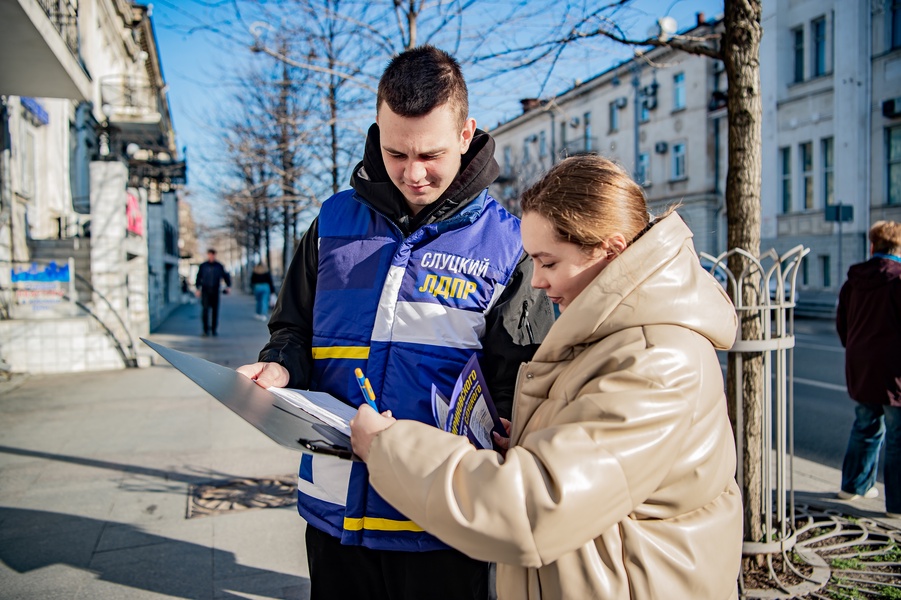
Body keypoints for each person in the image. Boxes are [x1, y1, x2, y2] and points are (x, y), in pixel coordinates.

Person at [237, 45, 554, 599]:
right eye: (395, 153)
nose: (412, 173)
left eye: (429, 154)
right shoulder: (332, 223)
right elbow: (290, 332)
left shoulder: (510, 246)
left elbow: (526, 385)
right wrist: (278, 371)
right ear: (377, 130)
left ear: (465, 133)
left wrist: (517, 436)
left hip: (445, 525)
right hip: (335, 514)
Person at [350, 154, 744, 600]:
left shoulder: (656, 361)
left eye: (550, 262)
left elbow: (533, 507)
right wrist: (530, 437)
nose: (536, 281)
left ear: (610, 250)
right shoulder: (613, 334)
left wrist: (388, 448)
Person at [836, 220, 901, 516]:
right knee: (897, 436)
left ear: (872, 246)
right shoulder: (898, 279)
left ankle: (853, 486)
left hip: (861, 367)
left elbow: (843, 325)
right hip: (894, 372)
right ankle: (897, 505)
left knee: (866, 425)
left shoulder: (854, 280)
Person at [195, 248, 231, 336]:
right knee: (205, 311)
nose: (211, 256)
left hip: (215, 290)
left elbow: (225, 276)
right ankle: (205, 330)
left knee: (215, 311)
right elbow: (198, 277)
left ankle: (214, 329)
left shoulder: (219, 266)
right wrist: (197, 288)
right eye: (210, 254)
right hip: (205, 291)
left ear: (214, 255)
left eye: (213, 254)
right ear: (208, 255)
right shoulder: (203, 266)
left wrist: (228, 286)